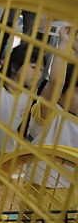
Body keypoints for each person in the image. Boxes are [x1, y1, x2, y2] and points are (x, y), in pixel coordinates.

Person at [26, 25, 77, 206]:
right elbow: (56, 81)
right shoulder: (52, 113)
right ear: (61, 94)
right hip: (41, 189)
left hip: (72, 194)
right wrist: (64, 42)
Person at [0, 44, 42, 161]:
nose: (38, 73)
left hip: (8, 153)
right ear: (14, 67)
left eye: (41, 70)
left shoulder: (28, 97)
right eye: (33, 67)